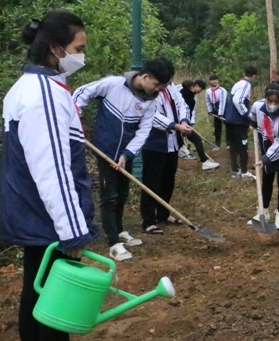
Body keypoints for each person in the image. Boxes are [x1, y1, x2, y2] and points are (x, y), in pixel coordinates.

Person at [0, 11, 114, 341]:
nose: (81, 56)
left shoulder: (24, 88)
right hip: (48, 217)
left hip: (28, 213)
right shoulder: (45, 97)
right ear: (55, 48)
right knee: (55, 306)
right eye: (78, 49)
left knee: (34, 299)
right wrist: (73, 233)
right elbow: (53, 171)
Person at [73, 58, 172, 262]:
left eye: (163, 87)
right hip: (104, 150)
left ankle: (119, 231)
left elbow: (144, 130)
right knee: (109, 196)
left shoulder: (150, 101)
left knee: (122, 194)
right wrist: (74, 117)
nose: (159, 90)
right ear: (145, 77)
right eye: (157, 85)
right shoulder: (113, 84)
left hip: (124, 154)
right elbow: (83, 92)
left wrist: (127, 154)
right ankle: (113, 243)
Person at [139, 62, 193, 235]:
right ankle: (148, 220)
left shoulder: (171, 89)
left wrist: (184, 121)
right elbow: (152, 116)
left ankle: (163, 214)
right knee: (151, 181)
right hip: (154, 143)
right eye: (163, 82)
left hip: (172, 143)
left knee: (168, 180)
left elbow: (181, 105)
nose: (165, 85)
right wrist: (174, 125)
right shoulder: (148, 92)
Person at [248, 82, 279, 230]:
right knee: (267, 180)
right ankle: (263, 211)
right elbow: (253, 116)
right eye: (270, 101)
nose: (273, 104)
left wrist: (265, 159)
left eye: (276, 101)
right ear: (265, 98)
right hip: (268, 144)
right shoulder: (258, 106)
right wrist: (252, 122)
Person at [175, 79, 219, 171]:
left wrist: (190, 122)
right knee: (195, 140)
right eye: (201, 89)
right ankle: (205, 162)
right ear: (196, 86)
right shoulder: (189, 98)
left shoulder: (181, 92)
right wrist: (187, 123)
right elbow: (186, 111)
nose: (200, 91)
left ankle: (204, 161)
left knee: (179, 142)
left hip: (180, 123)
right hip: (181, 124)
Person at [225, 65, 258, 178]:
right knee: (243, 146)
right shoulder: (245, 85)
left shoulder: (238, 83)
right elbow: (237, 100)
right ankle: (243, 171)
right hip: (238, 121)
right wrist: (246, 114)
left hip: (230, 119)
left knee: (233, 146)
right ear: (254, 76)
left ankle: (235, 170)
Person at [205, 74, 227, 149]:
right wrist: (210, 110)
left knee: (228, 126)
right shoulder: (208, 91)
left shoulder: (222, 90)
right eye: (213, 80)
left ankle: (229, 144)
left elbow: (222, 102)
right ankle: (217, 145)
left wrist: (221, 114)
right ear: (210, 81)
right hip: (215, 112)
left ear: (218, 81)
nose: (214, 81)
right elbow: (207, 101)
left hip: (224, 111)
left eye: (216, 80)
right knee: (217, 128)